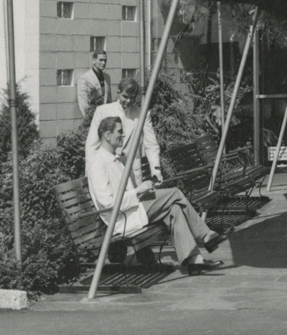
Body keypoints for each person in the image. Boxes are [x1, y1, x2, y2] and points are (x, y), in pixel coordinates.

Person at [88, 115, 225, 272]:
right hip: (121, 219)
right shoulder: (98, 164)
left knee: (175, 209)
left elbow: (124, 194)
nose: (123, 135)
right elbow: (108, 204)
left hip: (132, 209)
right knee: (175, 193)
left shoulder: (113, 159)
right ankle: (205, 235)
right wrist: (138, 191)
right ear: (107, 135)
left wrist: (142, 192)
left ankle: (194, 260)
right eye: (119, 132)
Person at [77, 50, 111, 117]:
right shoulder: (84, 78)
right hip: (92, 119)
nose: (103, 63)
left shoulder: (107, 77)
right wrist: (92, 121)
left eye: (105, 60)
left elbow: (109, 101)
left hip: (106, 120)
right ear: (94, 60)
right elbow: (83, 105)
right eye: (101, 60)